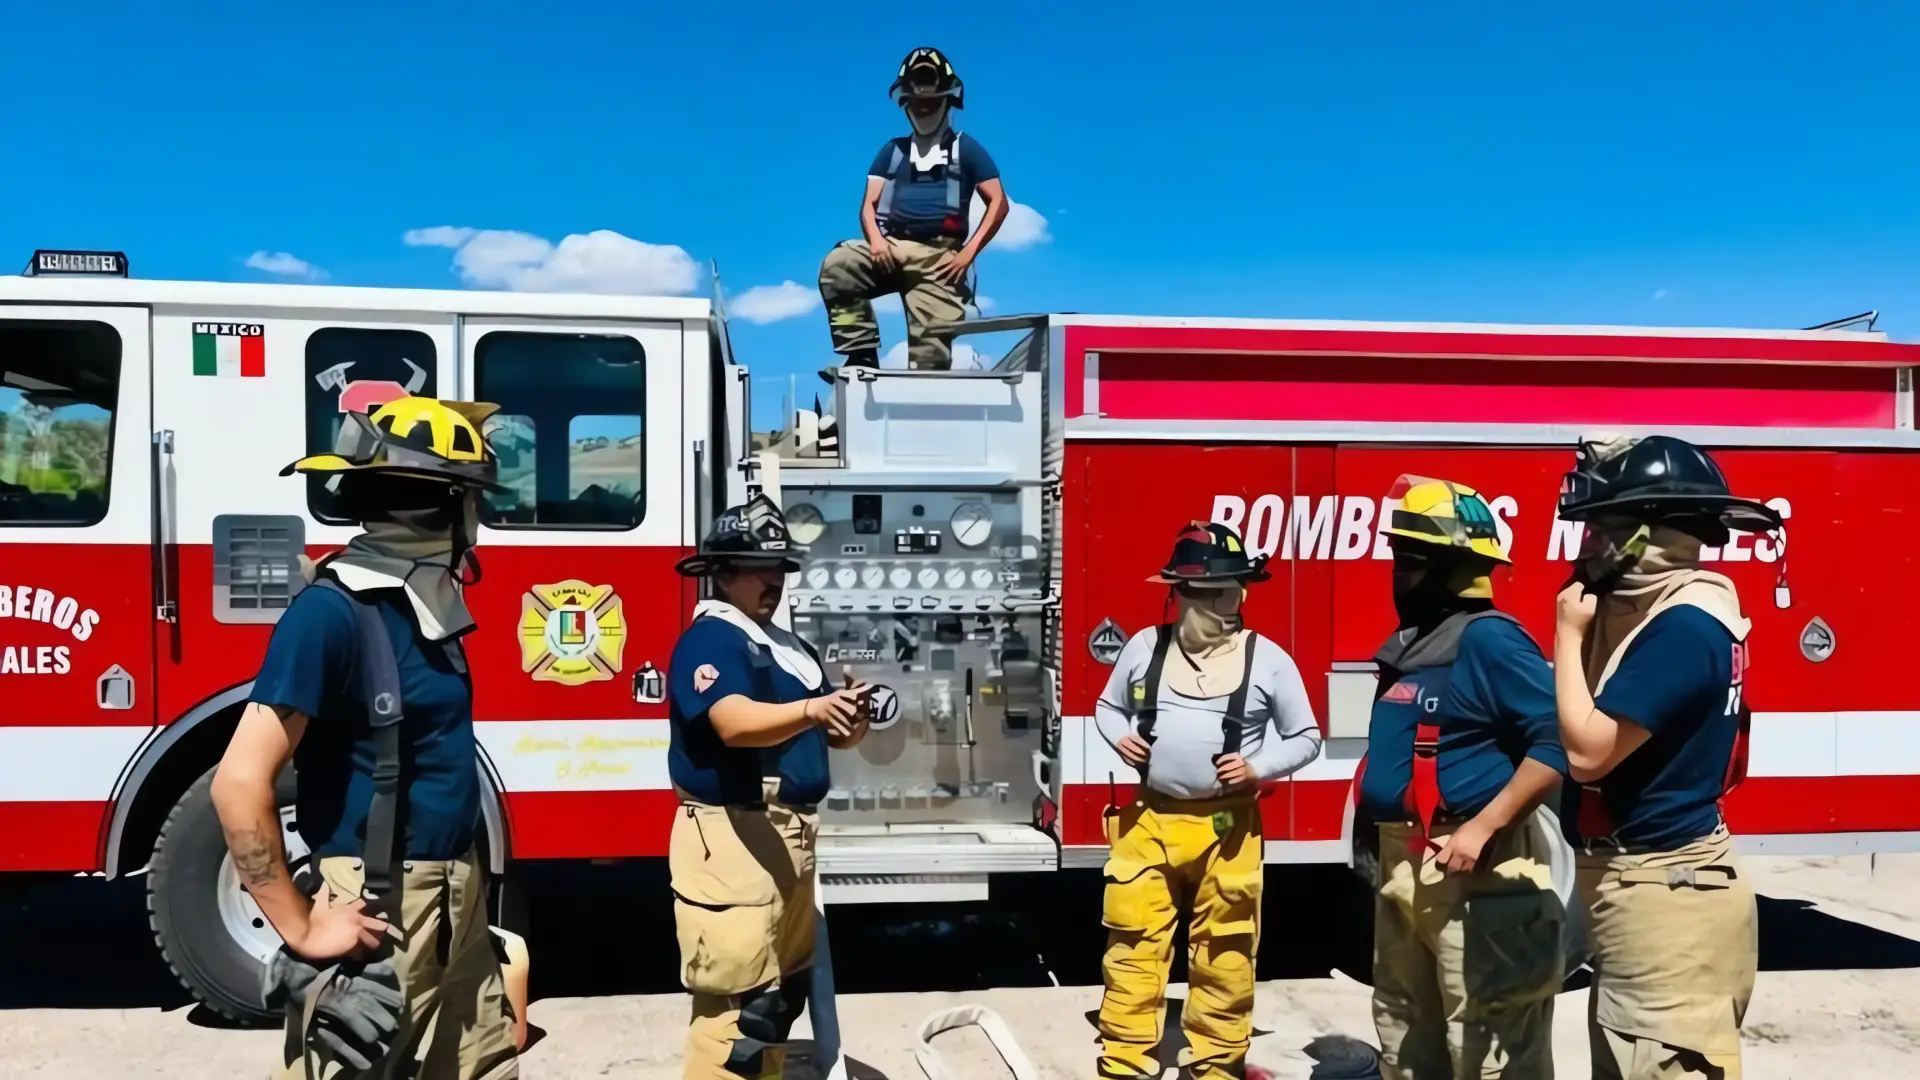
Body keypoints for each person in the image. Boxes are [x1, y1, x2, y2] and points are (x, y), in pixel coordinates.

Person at [211, 396, 519, 1079]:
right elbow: (238, 784)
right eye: (472, 500)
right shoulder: (330, 614)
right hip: (379, 907)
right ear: (441, 505)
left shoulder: (424, 607)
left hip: (451, 905)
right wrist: (302, 928)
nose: (479, 520)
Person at [1551, 434, 1778, 1080]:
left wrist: (1567, 635)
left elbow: (1590, 752)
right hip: (1648, 892)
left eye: (1599, 529)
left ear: (1643, 536)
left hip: (1668, 899)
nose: (1586, 546)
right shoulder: (1679, 613)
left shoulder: (1684, 626)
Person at [1094, 521, 1324, 1080]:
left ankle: (1216, 1069)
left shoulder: (1268, 660)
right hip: (1150, 822)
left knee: (1224, 957)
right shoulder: (1145, 647)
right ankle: (1124, 1067)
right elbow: (1107, 707)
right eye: (1223, 591)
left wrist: (1259, 767)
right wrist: (1117, 732)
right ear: (1186, 595)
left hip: (1228, 831)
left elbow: (1307, 738)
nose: (1234, 602)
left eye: (1237, 590)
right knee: (1133, 953)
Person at [1357, 475, 1568, 1080]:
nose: (1399, 571)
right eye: (1399, 557)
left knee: (1491, 1041)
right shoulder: (1414, 644)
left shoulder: (1492, 640)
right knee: (1405, 1030)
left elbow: (1555, 745)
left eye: (1413, 559)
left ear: (1456, 566)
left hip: (1477, 872)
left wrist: (1482, 827)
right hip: (1407, 864)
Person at [666, 493, 873, 1080]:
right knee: (738, 1010)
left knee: (778, 998)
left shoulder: (787, 646)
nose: (775, 580)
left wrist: (848, 719)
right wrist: (813, 709)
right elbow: (731, 722)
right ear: (723, 573)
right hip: (734, 832)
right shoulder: (712, 640)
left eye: (781, 568)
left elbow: (830, 736)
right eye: (761, 568)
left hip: (785, 834)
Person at [818, 46, 1011, 374]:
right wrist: (877, 242)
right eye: (917, 101)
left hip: (941, 257)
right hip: (891, 247)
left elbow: (999, 202)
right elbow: (869, 205)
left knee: (929, 366)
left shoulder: (967, 147)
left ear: (948, 99)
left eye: (931, 101)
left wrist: (967, 254)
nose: (923, 108)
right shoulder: (892, 150)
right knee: (839, 266)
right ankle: (860, 352)